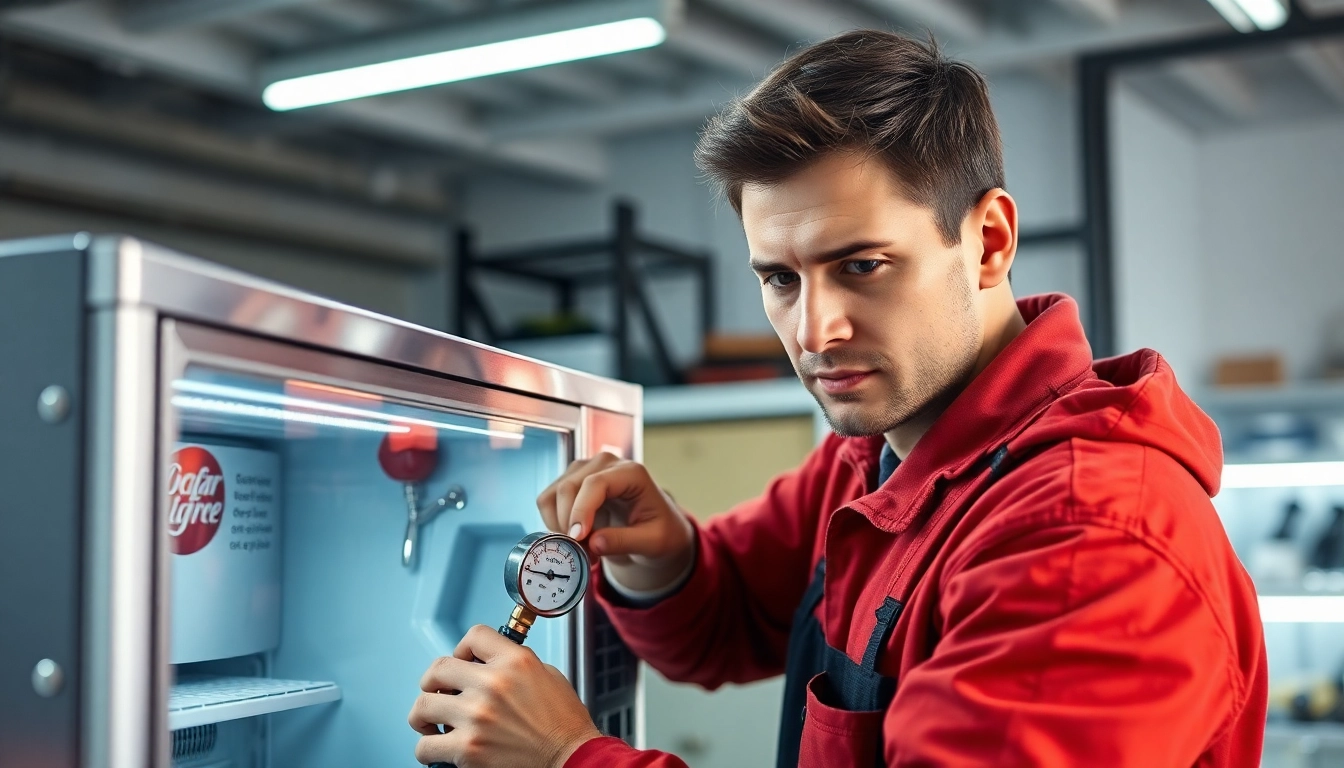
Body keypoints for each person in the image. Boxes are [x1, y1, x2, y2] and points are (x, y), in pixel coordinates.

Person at [408, 30, 1267, 768]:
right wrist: (662, 556)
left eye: (862, 266)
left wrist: (570, 756)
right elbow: (727, 619)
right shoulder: (879, 453)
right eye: (780, 278)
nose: (817, 331)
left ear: (990, 243)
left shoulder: (1088, 539)